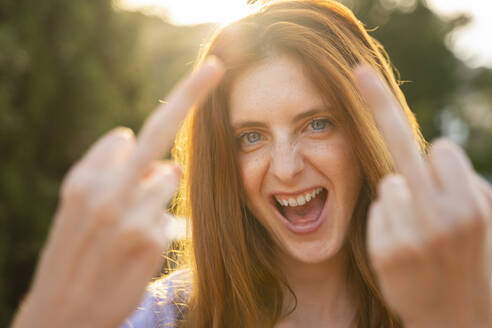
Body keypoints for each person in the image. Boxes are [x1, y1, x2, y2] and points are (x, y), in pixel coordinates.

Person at [11, 0, 492, 327]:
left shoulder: (463, 300)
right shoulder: (159, 318)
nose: (285, 168)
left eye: (317, 124)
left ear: (367, 132)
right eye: (251, 136)